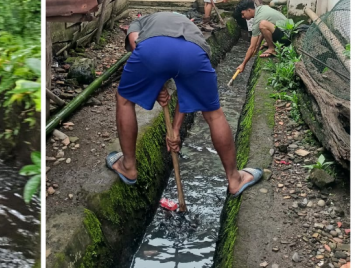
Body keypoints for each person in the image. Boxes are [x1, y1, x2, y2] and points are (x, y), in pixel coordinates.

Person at [105, 13, 262, 197]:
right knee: (214, 114)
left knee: (124, 99)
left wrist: (155, 85)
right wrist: (175, 130)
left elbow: (136, 44)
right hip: (194, 53)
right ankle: (235, 179)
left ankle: (129, 166)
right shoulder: (188, 26)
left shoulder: (138, 22)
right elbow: (185, 91)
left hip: (153, 50)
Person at [235, 0, 289, 71]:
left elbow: (251, 47)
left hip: (287, 37)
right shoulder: (261, 8)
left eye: (243, 14)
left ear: (249, 10)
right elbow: (261, 32)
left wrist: (243, 64)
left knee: (263, 24)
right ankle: (270, 44)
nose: (242, 17)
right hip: (286, 33)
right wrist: (258, 45)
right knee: (263, 25)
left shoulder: (258, 19)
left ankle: (271, 49)